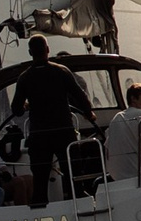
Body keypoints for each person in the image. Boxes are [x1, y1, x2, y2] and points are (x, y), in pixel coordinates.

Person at [8, 36, 98, 208]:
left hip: (39, 134)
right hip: (63, 130)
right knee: (72, 169)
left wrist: (27, 105)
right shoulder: (61, 71)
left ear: (30, 53)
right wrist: (89, 113)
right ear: (47, 50)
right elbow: (79, 96)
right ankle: (78, 201)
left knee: (40, 176)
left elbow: (16, 110)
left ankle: (40, 208)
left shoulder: (25, 78)